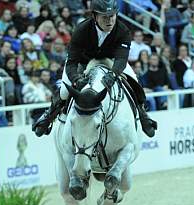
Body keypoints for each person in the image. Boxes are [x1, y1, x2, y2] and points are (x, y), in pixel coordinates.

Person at [32, 0, 156, 138]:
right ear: (94, 16)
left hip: (112, 61)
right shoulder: (81, 29)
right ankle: (49, 114)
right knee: (64, 91)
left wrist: (113, 75)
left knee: (134, 81)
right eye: (105, 17)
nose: (109, 21)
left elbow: (121, 59)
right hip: (84, 61)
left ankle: (142, 113)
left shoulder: (123, 30)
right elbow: (72, 62)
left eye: (112, 16)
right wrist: (75, 78)